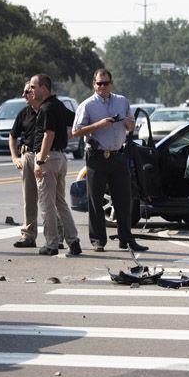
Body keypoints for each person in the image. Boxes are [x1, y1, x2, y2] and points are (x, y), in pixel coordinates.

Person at [72, 68, 148, 252]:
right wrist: (99, 125)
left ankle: (126, 239)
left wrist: (129, 125)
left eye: (106, 83)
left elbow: (130, 125)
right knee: (95, 200)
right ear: (94, 84)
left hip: (118, 155)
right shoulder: (87, 105)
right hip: (97, 155)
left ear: (111, 84)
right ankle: (98, 240)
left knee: (124, 200)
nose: (103, 87)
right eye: (99, 83)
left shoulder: (121, 101)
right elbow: (75, 132)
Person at [29, 73, 82, 256]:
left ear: (44, 88)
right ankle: (73, 241)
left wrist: (40, 161)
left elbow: (48, 135)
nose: (30, 90)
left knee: (47, 204)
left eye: (33, 87)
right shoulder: (59, 105)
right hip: (60, 158)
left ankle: (51, 244)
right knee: (60, 203)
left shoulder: (47, 108)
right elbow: (76, 123)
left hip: (48, 159)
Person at [9, 82, 65, 249]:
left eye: (28, 91)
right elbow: (12, 136)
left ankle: (58, 236)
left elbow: (69, 124)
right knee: (29, 197)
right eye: (25, 91)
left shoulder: (49, 109)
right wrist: (14, 157)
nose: (25, 95)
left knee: (51, 199)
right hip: (28, 156)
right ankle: (28, 235)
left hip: (45, 157)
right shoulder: (24, 114)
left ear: (37, 92)